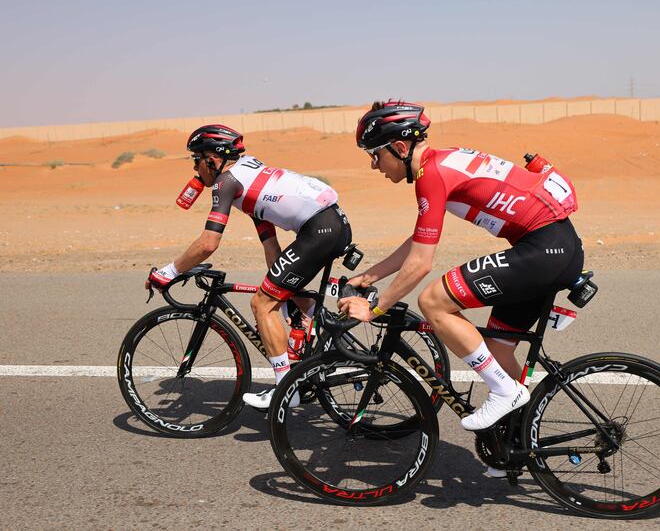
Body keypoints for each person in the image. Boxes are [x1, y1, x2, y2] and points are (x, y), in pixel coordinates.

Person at [339, 101, 583, 435]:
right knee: (497, 348)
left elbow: (421, 263)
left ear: (398, 147)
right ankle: (513, 440)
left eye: (374, 155)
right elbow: (419, 240)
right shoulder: (440, 162)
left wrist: (375, 309)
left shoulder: (431, 175)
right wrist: (370, 276)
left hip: (545, 249)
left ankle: (505, 391)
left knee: (434, 301)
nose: (373, 166)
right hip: (556, 246)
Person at [146, 124, 352, 409]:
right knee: (275, 293)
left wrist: (168, 272)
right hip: (331, 224)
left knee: (261, 305)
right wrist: (284, 292)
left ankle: (285, 390)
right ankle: (329, 334)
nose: (195, 169)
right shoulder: (251, 176)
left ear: (213, 159)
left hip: (320, 230)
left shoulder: (226, 182)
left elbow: (208, 243)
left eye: (196, 159)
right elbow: (272, 249)